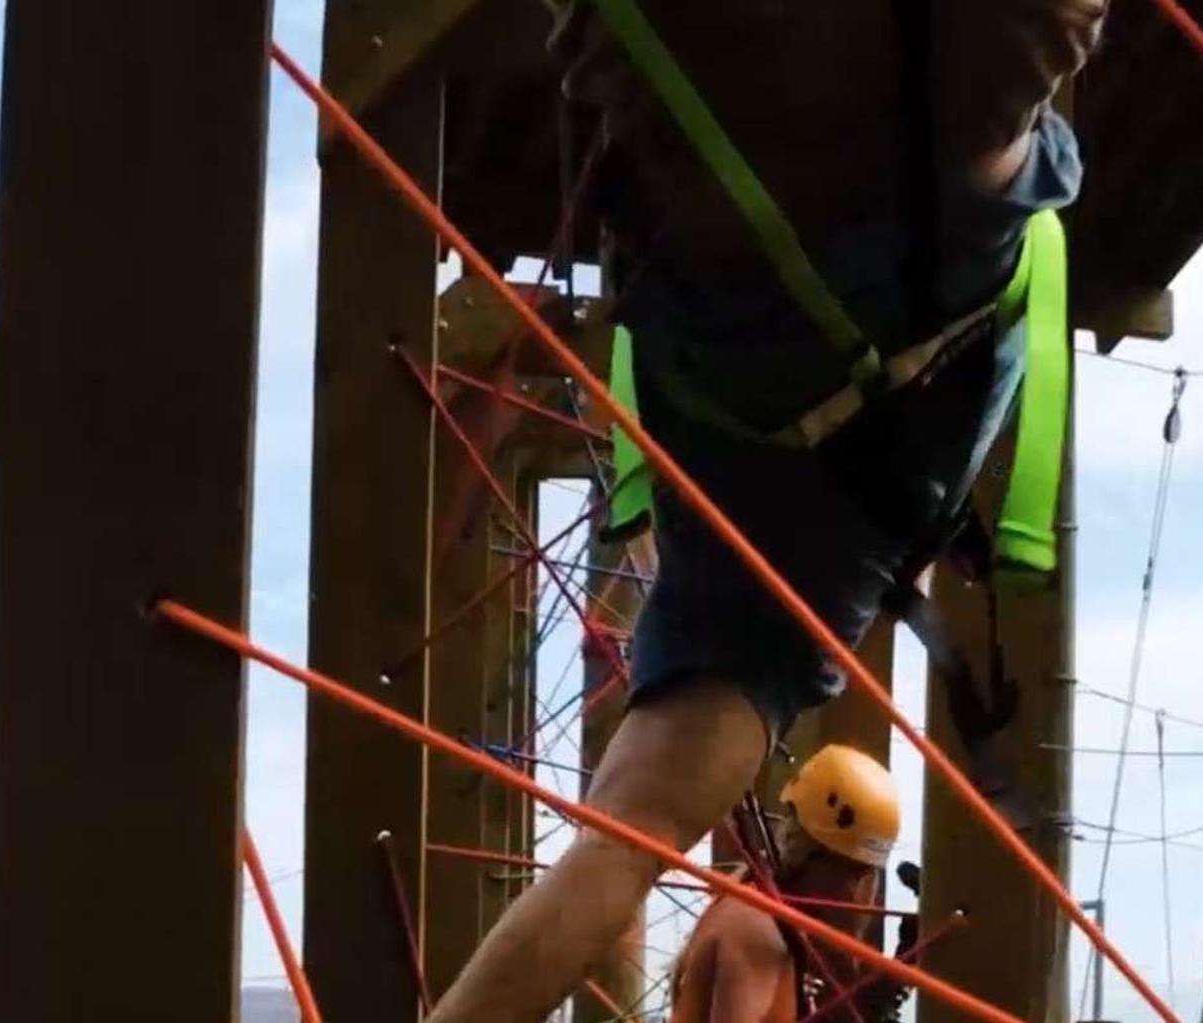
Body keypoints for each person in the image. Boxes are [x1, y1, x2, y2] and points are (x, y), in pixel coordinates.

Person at [425, 2, 1107, 1019]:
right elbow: (619, 852)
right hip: (741, 152)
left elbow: (616, 852)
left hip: (921, 176)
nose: (858, 905)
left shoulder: (774, 619)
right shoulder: (774, 654)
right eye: (859, 885)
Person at [669, 746, 901, 1023]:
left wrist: (891, 981)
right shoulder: (756, 927)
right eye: (854, 874)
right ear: (810, 855)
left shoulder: (796, 926)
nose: (864, 896)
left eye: (870, 876)